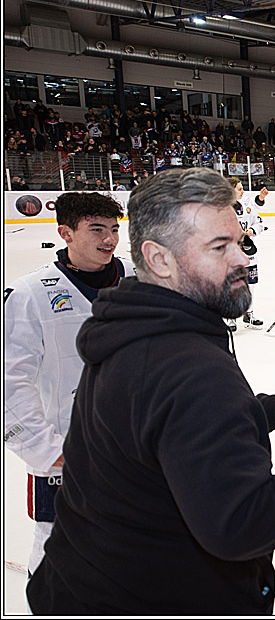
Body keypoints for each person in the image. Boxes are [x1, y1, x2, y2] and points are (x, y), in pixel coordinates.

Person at [24, 169, 275, 613]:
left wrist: (269, 410)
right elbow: (242, 521)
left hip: (85, 588)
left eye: (238, 241)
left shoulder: (127, 331)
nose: (243, 259)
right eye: (220, 247)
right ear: (159, 260)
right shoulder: (191, 367)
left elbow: (162, 428)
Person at [4, 193, 134, 574]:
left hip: (136, 445)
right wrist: (44, 450)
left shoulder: (139, 280)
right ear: (65, 233)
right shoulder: (30, 293)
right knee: (58, 551)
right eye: (96, 229)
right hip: (68, 451)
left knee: (133, 543)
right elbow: (9, 381)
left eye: (113, 229)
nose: (109, 239)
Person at [229, 178, 269, 331]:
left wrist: (252, 231)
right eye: (239, 189)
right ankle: (230, 318)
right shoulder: (221, 208)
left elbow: (259, 222)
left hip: (248, 252)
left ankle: (249, 314)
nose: (243, 191)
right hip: (230, 254)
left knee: (251, 284)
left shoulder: (247, 204)